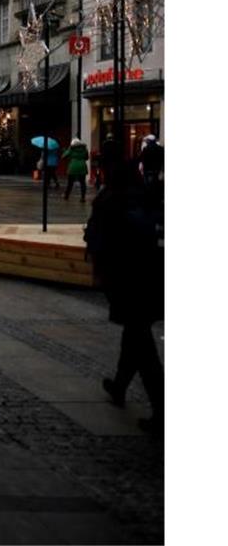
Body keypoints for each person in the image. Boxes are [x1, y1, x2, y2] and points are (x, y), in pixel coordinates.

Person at [86, 160, 164, 436]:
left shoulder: (110, 200)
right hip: (156, 280)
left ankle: (162, 411)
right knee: (136, 333)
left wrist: (99, 272)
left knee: (142, 345)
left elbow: (95, 239)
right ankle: (119, 386)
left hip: (127, 280)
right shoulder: (150, 197)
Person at [62, 137, 90, 202]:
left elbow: (63, 157)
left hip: (73, 167)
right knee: (83, 183)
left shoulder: (71, 149)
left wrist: (68, 151)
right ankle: (83, 198)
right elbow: (87, 158)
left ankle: (66, 195)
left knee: (70, 183)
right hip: (82, 167)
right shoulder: (84, 149)